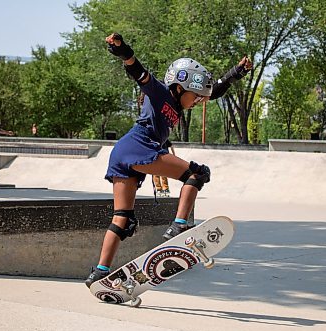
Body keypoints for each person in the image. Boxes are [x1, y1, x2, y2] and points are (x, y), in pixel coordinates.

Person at [85, 33, 252, 287]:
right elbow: (137, 70)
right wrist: (122, 49)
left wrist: (236, 72)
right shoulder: (160, 91)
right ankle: (179, 226)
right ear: (178, 87)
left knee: (123, 219)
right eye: (193, 96)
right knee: (197, 174)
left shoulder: (179, 101)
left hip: (122, 153)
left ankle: (99, 272)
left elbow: (213, 91)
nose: (196, 102)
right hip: (138, 146)